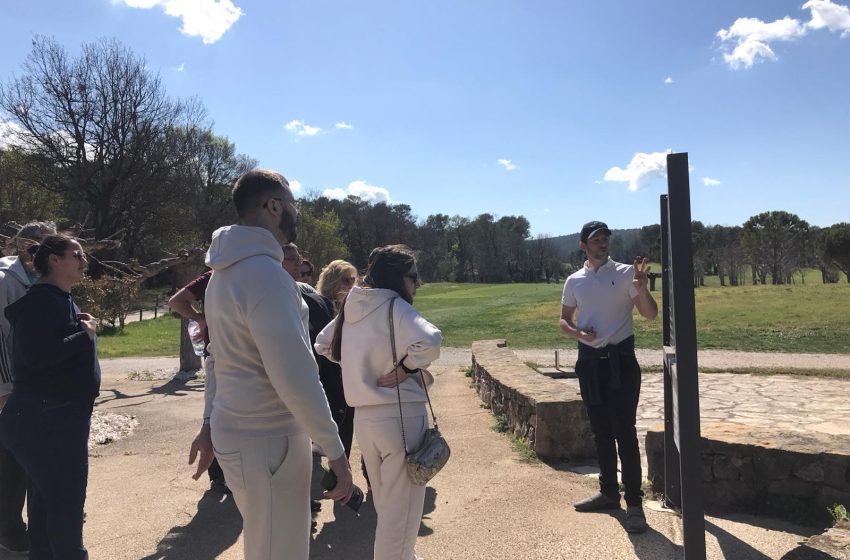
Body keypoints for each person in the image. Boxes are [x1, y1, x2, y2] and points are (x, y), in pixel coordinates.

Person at [187, 169, 352, 560]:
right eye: (293, 203)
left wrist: (210, 422)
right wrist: (336, 451)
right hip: (269, 441)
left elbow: (215, 360)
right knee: (283, 551)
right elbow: (296, 377)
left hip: (238, 434)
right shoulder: (266, 276)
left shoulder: (222, 274)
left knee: (264, 546)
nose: (296, 211)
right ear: (274, 206)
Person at [315, 245, 442, 560]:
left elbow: (324, 344)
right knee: (403, 511)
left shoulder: (353, 306)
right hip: (401, 418)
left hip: (367, 421)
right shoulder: (393, 306)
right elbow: (431, 339)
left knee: (388, 505)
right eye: (414, 277)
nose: (418, 284)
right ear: (399, 278)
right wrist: (406, 368)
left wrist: (359, 366)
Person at [0, 234, 100, 559]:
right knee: (66, 511)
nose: (84, 260)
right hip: (46, 423)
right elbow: (37, 356)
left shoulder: (60, 299)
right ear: (55, 260)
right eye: (77, 254)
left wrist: (80, 331)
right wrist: (83, 336)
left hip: (56, 421)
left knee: (46, 512)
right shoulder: (40, 301)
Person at [559, 221, 657, 534]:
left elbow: (650, 314)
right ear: (583, 246)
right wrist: (577, 333)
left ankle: (635, 504)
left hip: (622, 363)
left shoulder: (629, 272)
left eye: (606, 239)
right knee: (600, 431)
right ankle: (608, 493)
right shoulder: (575, 280)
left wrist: (642, 289)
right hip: (589, 364)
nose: (603, 243)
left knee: (624, 432)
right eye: (596, 239)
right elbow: (564, 320)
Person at [0, 220, 57, 554]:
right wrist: (6, 389)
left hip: (36, 385)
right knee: (12, 459)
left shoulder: (42, 277)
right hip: (13, 387)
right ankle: (8, 529)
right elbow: (2, 337)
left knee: (29, 457)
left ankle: (28, 525)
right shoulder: (6, 281)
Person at [167, 270, 228, 494]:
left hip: (225, 356)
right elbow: (176, 302)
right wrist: (201, 319)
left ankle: (222, 474)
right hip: (218, 356)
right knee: (214, 413)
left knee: (218, 412)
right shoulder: (214, 275)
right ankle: (218, 475)